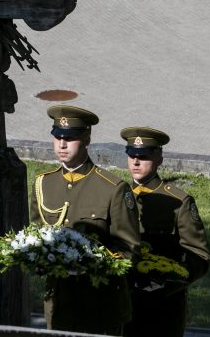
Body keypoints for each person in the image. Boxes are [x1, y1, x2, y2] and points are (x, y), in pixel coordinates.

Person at [30, 105, 141, 335]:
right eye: (57, 137)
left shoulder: (113, 189)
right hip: (59, 305)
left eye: (70, 138)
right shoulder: (44, 184)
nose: (62, 144)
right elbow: (35, 236)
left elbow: (129, 249)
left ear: (86, 139)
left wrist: (91, 265)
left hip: (101, 308)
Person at [120, 127, 210, 337]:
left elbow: (199, 254)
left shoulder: (179, 201)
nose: (135, 162)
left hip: (163, 308)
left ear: (159, 159)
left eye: (143, 156)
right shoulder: (116, 196)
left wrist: (171, 280)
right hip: (122, 301)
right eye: (131, 155)